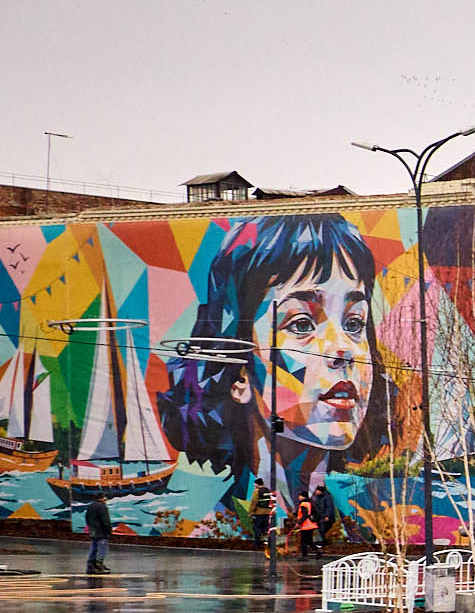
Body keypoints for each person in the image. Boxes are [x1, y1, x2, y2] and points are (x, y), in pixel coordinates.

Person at [163, 214, 392, 518]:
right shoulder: (209, 519)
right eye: (301, 324)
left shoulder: (374, 516)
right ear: (239, 374)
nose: (344, 350)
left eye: (354, 323)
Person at [84, 497, 113, 574]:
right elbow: (105, 520)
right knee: (102, 548)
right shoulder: (102, 507)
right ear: (102, 498)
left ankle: (90, 565)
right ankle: (99, 565)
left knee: (93, 547)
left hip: (93, 530)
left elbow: (87, 518)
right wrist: (108, 530)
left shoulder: (90, 506)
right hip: (101, 531)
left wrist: (91, 527)